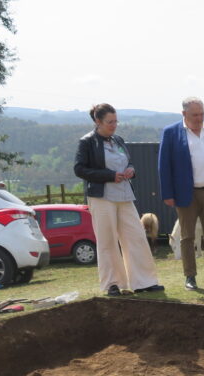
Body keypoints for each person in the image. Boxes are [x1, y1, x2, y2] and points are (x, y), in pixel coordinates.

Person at [74, 103, 164, 296]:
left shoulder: (119, 140)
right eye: (109, 122)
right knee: (107, 240)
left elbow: (127, 161)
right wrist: (109, 175)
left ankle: (144, 281)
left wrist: (131, 170)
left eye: (116, 121)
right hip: (102, 197)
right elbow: (79, 169)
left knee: (136, 236)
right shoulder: (87, 142)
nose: (114, 125)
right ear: (98, 121)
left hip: (124, 194)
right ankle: (112, 284)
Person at [158, 97, 204, 291]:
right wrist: (167, 193)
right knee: (188, 237)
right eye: (195, 115)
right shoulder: (171, 132)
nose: (199, 118)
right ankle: (190, 276)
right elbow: (163, 166)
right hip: (185, 193)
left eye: (201, 114)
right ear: (184, 114)